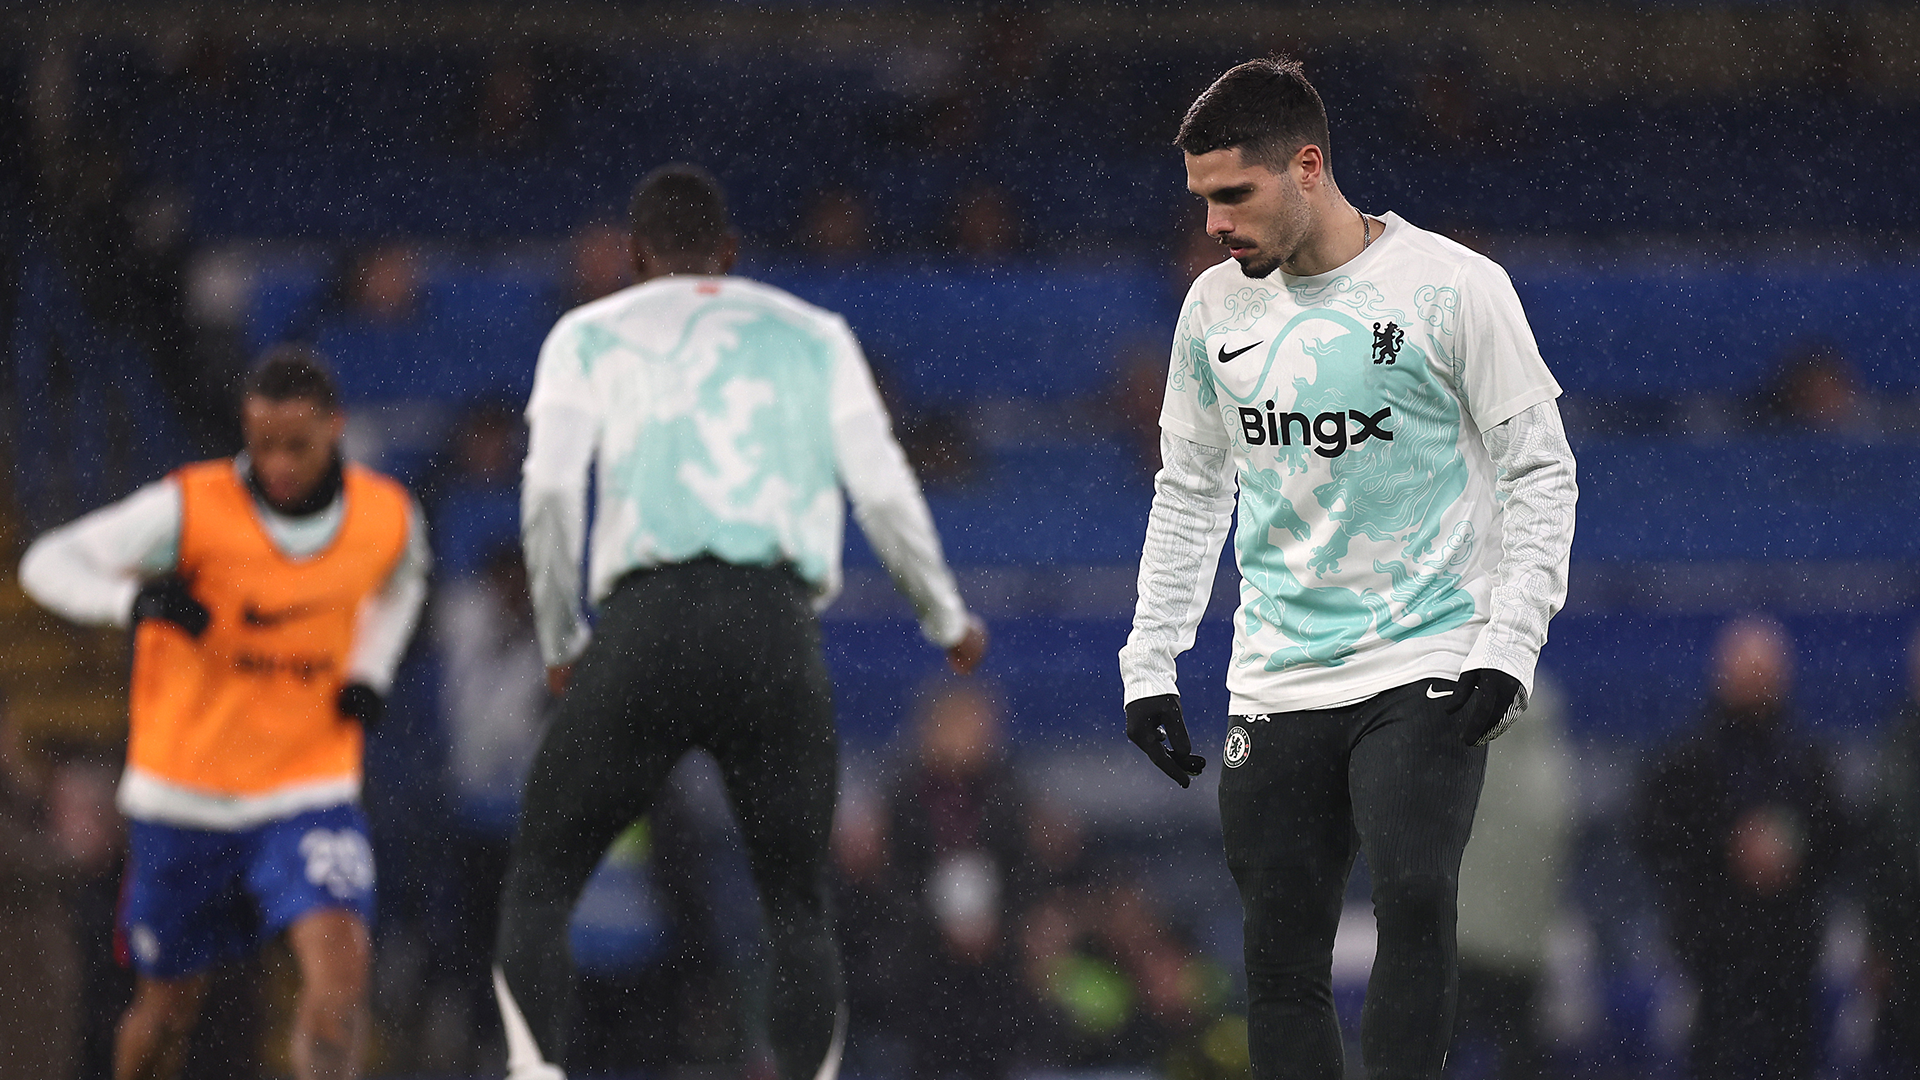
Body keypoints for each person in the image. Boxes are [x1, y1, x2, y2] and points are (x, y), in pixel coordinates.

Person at [1117, 58, 1578, 1080]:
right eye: (1202, 201)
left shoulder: (1454, 288)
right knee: (1280, 957)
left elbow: (1540, 471)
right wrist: (1150, 658)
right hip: (1277, 675)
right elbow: (1190, 490)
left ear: (1309, 167)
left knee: (1417, 894)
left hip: (1427, 654)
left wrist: (1511, 638)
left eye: (1233, 194)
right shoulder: (1212, 314)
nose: (1214, 224)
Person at [493, 163, 988, 1080]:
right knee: (796, 900)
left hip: (646, 618)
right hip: (770, 621)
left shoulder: (588, 335)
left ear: (637, 259)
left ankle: (535, 1073)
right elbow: (880, 486)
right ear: (729, 254)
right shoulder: (811, 334)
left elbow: (552, 492)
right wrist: (943, 612)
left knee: (541, 877)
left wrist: (562, 636)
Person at [17, 348, 430, 1080]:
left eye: (295, 445)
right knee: (168, 1014)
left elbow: (402, 581)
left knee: (339, 980)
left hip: (308, 789)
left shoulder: (384, 515)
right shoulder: (189, 508)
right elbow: (46, 562)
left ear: (335, 429)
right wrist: (133, 602)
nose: (276, 462)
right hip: (183, 799)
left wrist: (370, 671)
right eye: (261, 443)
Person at [1633, 615, 1847, 1080]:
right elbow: (1653, 834)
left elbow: (1836, 837)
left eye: (1765, 670)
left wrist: (1792, 853)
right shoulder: (1688, 758)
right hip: (1715, 952)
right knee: (1716, 1056)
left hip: (1789, 950)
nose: (1757, 681)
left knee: (1789, 1059)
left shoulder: (1807, 758)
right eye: (1748, 669)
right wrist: (1725, 849)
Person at [1450, 672, 1575, 1080]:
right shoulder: (1554, 766)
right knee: (1518, 1052)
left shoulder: (1474, 754)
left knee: (1441, 1051)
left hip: (1463, 942)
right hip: (1523, 949)